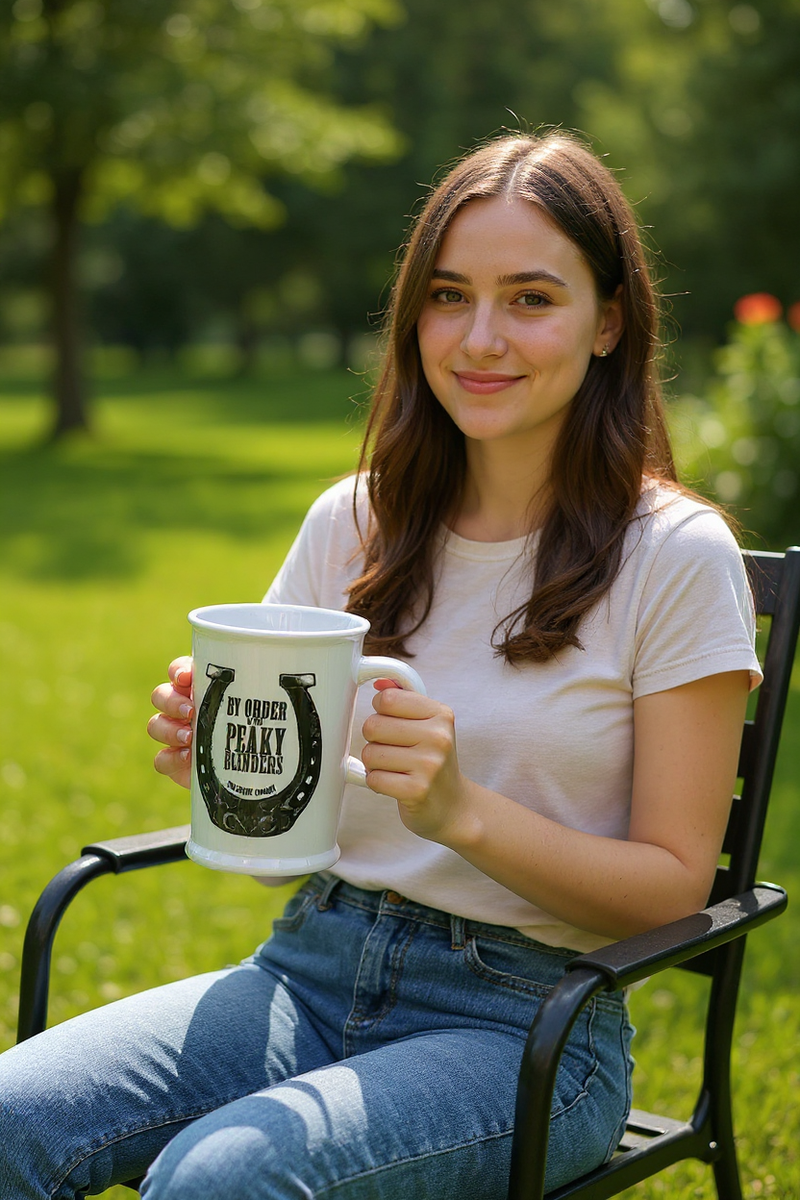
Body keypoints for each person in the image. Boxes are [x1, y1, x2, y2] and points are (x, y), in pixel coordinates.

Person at [0, 131, 761, 1200]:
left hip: (529, 1027)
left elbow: (673, 888)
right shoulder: (351, 521)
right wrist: (229, 774)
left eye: (530, 298)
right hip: (305, 969)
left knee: (219, 1182)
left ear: (609, 322)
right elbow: (274, 855)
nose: (479, 337)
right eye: (448, 295)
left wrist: (462, 815)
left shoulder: (673, 557)